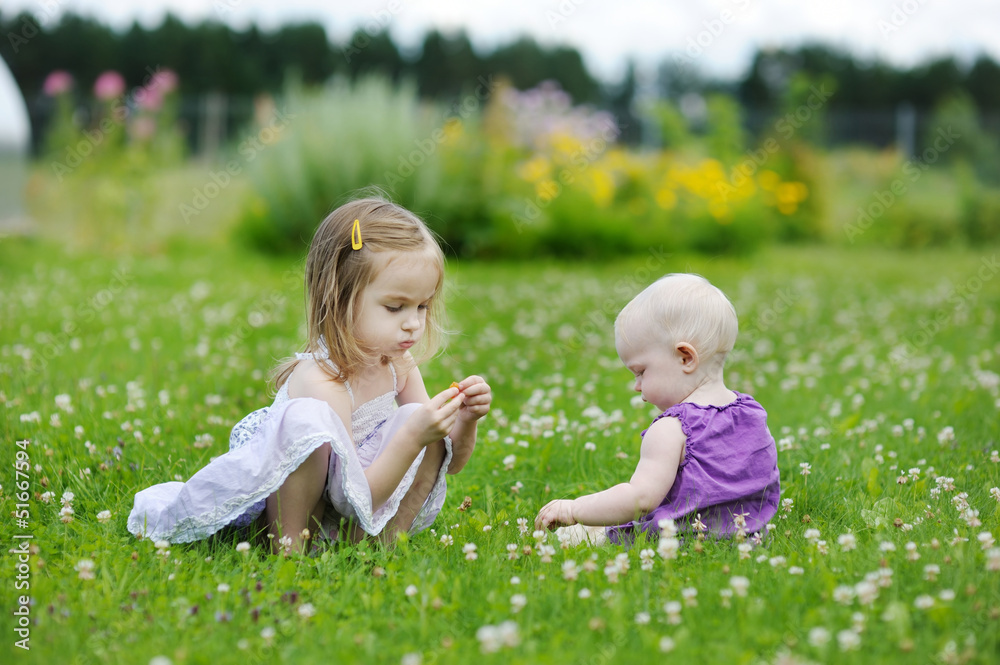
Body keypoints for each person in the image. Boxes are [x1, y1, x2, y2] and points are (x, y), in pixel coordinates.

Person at [128, 196, 492, 554]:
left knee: (418, 416)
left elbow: (450, 462)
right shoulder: (322, 381)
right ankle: (291, 551)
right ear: (339, 299)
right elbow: (351, 499)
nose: (413, 323)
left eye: (422, 306)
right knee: (312, 423)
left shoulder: (399, 365)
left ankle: (382, 544)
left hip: (361, 511)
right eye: (395, 307)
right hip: (316, 510)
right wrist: (412, 435)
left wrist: (465, 420)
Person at [534, 273, 779, 545]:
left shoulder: (671, 428)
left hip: (678, 540)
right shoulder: (753, 413)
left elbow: (640, 499)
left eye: (640, 372)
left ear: (685, 357)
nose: (636, 386)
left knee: (592, 533)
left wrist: (575, 509)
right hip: (749, 538)